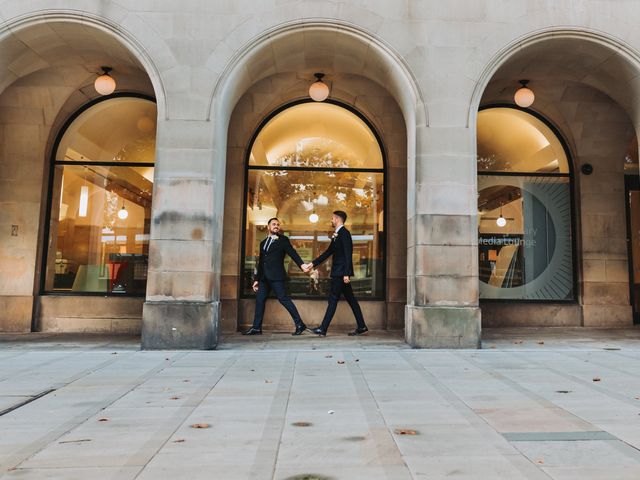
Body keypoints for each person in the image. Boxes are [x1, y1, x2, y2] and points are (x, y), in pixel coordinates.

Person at [302, 210, 368, 336]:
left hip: (340, 273)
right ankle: (362, 326)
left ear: (337, 219)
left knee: (333, 299)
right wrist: (313, 264)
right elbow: (328, 252)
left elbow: (348, 254)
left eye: (332, 218)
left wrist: (347, 273)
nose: (331, 221)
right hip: (340, 272)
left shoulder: (344, 233)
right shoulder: (337, 234)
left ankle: (323, 328)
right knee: (351, 300)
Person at [243, 217, 308, 336]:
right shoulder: (263, 243)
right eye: (273, 224)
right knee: (260, 301)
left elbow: (293, 253)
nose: (276, 226)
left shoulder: (283, 240)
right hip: (263, 278)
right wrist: (256, 280)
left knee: (284, 299)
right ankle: (256, 327)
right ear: (268, 227)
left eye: (278, 224)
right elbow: (261, 262)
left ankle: (300, 324)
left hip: (277, 276)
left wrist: (302, 264)